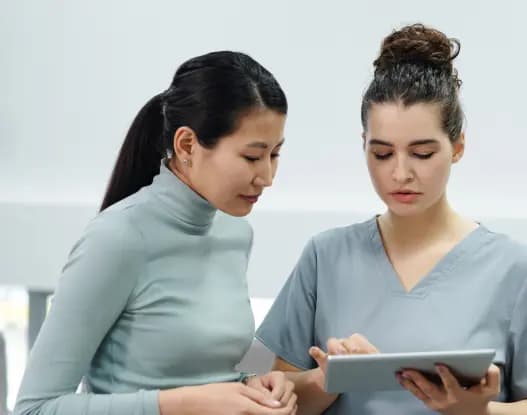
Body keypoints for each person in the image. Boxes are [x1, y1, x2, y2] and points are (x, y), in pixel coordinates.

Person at [256, 24, 527, 415]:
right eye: (382, 154)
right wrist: (329, 379)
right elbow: (280, 397)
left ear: (458, 147)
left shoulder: (513, 270)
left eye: (421, 153)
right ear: (363, 145)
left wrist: (478, 412)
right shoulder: (325, 257)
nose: (400, 174)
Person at [14, 51, 297, 415]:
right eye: (252, 157)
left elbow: (212, 368)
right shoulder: (117, 239)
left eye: (275, 154)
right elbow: (35, 408)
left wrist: (253, 383)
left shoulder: (236, 233)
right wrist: (182, 404)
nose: (268, 177)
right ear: (187, 145)